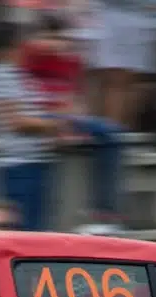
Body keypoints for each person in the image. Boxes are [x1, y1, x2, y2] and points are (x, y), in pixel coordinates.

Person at [21, 13, 125, 233]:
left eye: (60, 37)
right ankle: (42, 229)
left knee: (112, 133)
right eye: (49, 37)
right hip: (36, 119)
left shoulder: (71, 60)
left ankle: (104, 213)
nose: (56, 43)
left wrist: (72, 122)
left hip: (65, 118)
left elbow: (76, 97)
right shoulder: (28, 57)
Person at [0, 21, 63, 231]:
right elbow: (15, 121)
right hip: (19, 167)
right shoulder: (0, 75)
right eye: (22, 45)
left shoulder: (3, 74)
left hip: (26, 165)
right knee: (29, 237)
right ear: (9, 47)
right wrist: (53, 125)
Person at [89, 0, 156, 130]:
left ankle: (123, 131)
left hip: (148, 17)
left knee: (139, 81)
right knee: (114, 79)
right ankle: (110, 131)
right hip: (114, 17)